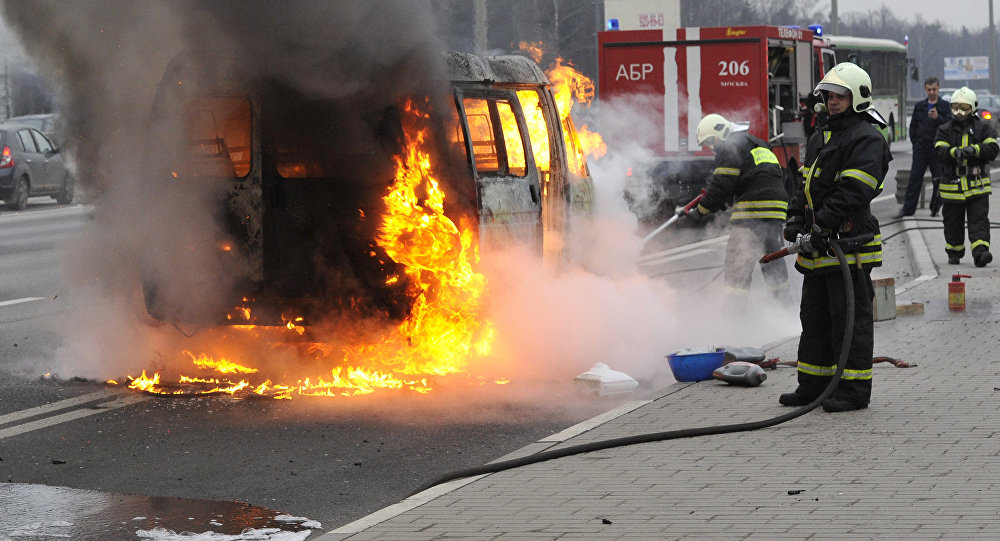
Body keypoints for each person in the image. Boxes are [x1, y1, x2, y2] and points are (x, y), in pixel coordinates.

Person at [778, 62, 890, 413]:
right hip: (818, 247)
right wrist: (795, 217)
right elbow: (805, 183)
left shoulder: (867, 138)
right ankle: (813, 385)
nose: (833, 101)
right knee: (814, 319)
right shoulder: (821, 137)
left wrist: (822, 225)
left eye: (840, 95)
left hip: (848, 246)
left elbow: (854, 191)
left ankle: (854, 391)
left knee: (848, 322)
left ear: (857, 97)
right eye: (829, 95)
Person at [684, 113, 789, 297]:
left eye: (710, 140)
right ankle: (783, 303)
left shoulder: (729, 145)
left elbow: (722, 184)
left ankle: (735, 312)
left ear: (721, 132)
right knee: (772, 260)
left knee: (737, 263)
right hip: (776, 209)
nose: (711, 147)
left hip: (752, 210)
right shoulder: (758, 143)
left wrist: (700, 211)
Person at [933, 86, 999, 267]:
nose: (959, 112)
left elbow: (993, 149)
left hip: (977, 185)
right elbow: (939, 151)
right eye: (955, 108)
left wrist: (975, 150)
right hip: (952, 187)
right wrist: (955, 153)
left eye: (964, 108)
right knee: (952, 223)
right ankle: (954, 252)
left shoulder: (983, 128)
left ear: (973, 108)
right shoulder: (944, 129)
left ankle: (981, 253)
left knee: (979, 221)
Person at [895, 77, 951, 218]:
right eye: (929, 89)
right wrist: (916, 143)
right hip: (921, 147)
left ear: (938, 89)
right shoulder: (919, 106)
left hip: (937, 148)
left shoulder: (944, 106)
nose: (931, 92)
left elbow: (950, 125)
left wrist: (938, 118)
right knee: (915, 179)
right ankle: (908, 209)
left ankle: (935, 209)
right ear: (925, 90)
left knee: (938, 179)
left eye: (934, 89)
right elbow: (913, 126)